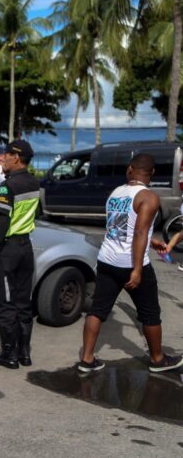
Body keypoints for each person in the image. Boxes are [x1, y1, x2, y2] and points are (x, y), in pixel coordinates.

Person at [77, 154, 183, 374]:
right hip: (131, 264)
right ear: (152, 173)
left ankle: (86, 360)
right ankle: (158, 359)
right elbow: (140, 232)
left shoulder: (116, 193)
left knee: (97, 311)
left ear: (130, 170)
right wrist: (136, 269)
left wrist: (152, 242)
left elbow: (119, 227)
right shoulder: (149, 197)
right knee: (150, 313)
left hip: (106, 260)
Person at [0, 140, 40, 370]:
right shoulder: (33, 183)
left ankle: (9, 355)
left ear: (16, 157)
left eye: (6, 155)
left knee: (6, 303)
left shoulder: (8, 186)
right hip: (25, 248)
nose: (3, 159)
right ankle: (25, 354)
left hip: (8, 251)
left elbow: (1, 222)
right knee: (23, 303)